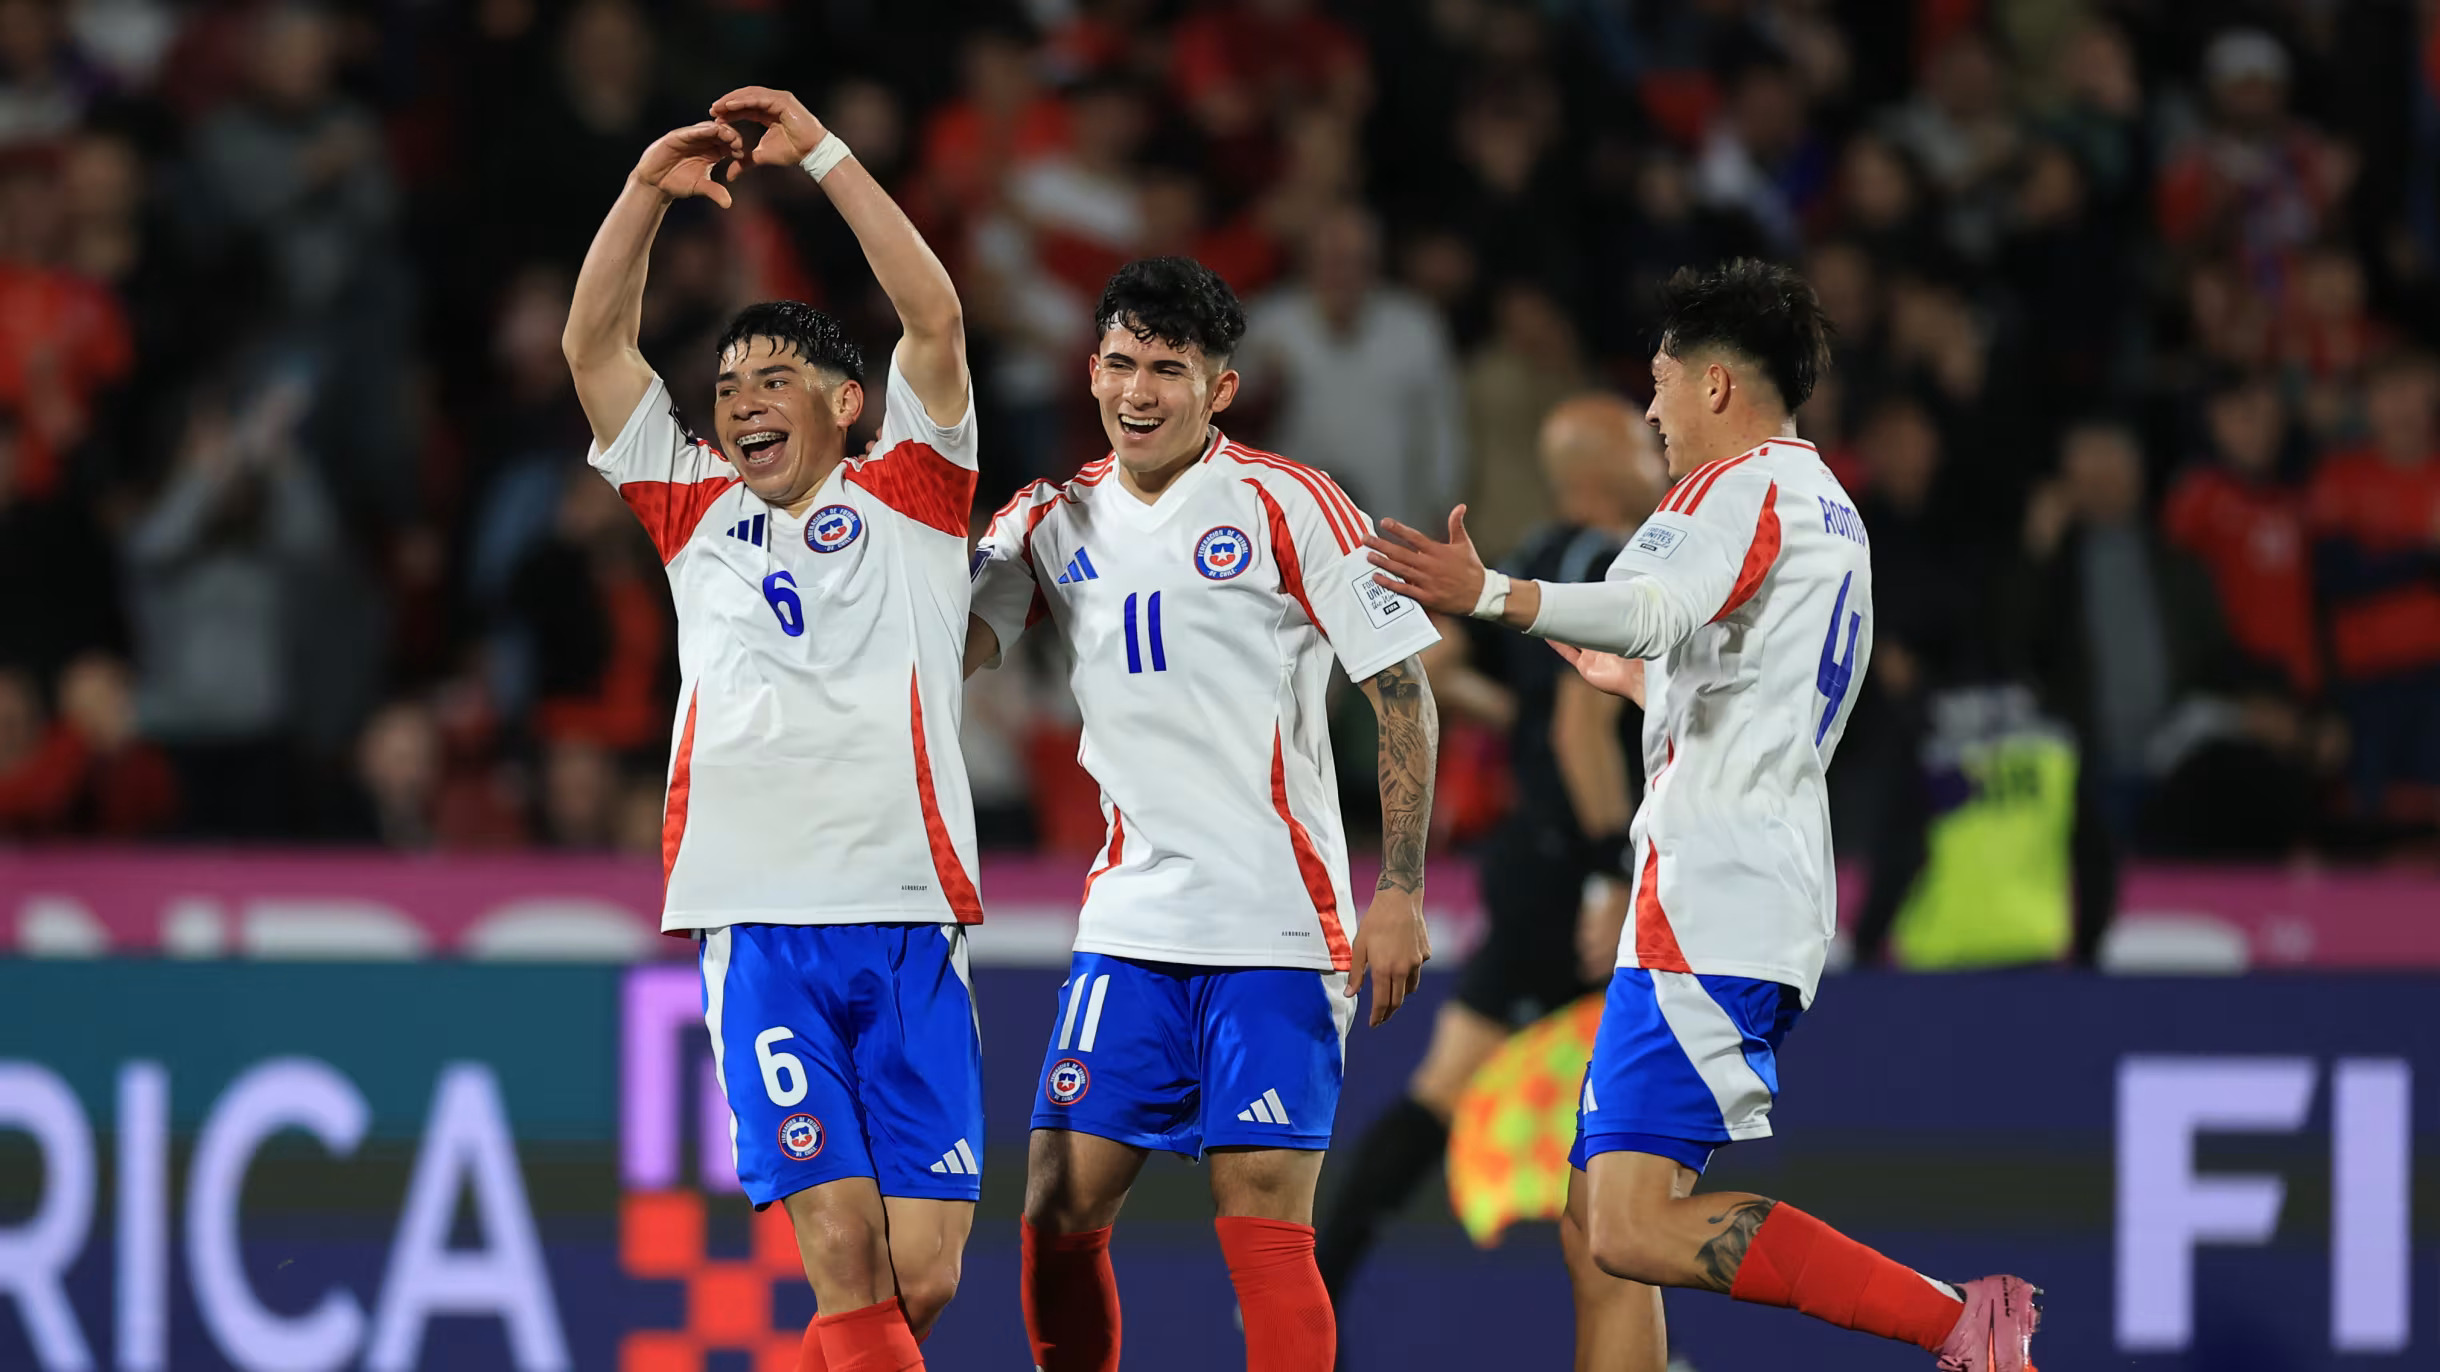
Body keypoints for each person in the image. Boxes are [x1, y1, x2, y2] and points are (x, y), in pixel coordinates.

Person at [1362, 259, 2041, 1372]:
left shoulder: (1730, 488)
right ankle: (1960, 1324)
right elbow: (1760, 678)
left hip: (1706, 896)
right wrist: (1645, 687)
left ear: (1718, 385)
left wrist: (1490, 594)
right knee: (1598, 1218)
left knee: (1625, 1224)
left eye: (1661, 381)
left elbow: (1654, 604)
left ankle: (1960, 1323)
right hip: (1756, 885)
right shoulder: (1827, 504)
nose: (1652, 409)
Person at [561, 85, 982, 1372]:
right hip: (760, 923)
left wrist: (832, 158)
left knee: (921, 1276)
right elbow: (592, 350)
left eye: (776, 377)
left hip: (910, 910)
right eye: (728, 382)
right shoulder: (691, 506)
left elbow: (936, 316)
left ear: (847, 404)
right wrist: (643, 189)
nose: (741, 398)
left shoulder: (914, 493)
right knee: (843, 1257)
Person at [966, 256, 1440, 1372]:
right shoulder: (1049, 516)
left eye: (1169, 370)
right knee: (1053, 1208)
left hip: (1276, 924)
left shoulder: (1287, 502)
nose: (1139, 391)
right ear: (1089, 371)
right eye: (1122, 364)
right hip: (1132, 920)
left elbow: (1400, 691)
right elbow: (948, 655)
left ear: (1220, 388)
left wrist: (1403, 886)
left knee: (1263, 1223)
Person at [1315, 392, 1668, 1306]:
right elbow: (1584, 734)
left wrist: (1517, 723)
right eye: (1637, 436)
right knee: (1643, 1117)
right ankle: (1646, 1344)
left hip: (1526, 857)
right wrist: (1609, 877)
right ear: (1595, 469)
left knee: (1443, 1088)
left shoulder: (1529, 560)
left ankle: (1313, 1287)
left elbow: (1430, 667)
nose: (1655, 445)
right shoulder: (1625, 564)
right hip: (1586, 872)